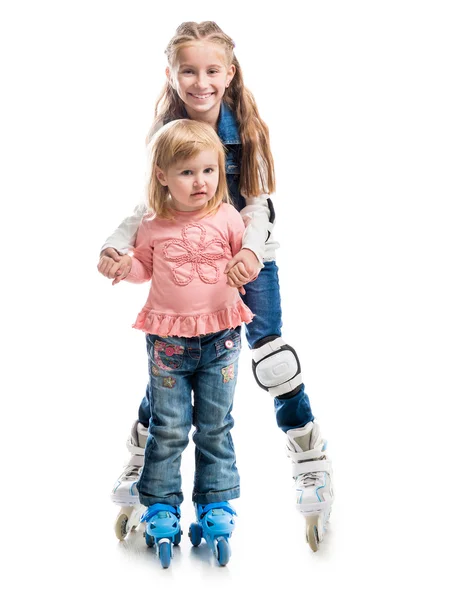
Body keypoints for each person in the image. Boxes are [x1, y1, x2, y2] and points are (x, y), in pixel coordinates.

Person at [98, 21, 333, 552]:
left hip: (242, 257)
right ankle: (143, 462)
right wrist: (118, 246)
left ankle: (310, 464)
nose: (200, 82)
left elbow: (258, 206)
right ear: (172, 75)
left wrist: (249, 252)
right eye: (189, 71)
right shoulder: (168, 131)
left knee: (271, 356)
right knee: (174, 360)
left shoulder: (244, 131)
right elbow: (148, 207)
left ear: (229, 73)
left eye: (211, 70)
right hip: (185, 261)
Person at [116, 119, 251, 567]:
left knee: (215, 425)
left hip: (222, 340)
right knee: (168, 428)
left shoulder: (228, 217)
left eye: (209, 171)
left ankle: (215, 505)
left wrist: (246, 263)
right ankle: (161, 506)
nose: (201, 182)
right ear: (162, 175)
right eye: (188, 172)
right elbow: (144, 268)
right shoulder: (154, 223)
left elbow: (247, 257)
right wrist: (123, 265)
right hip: (169, 342)